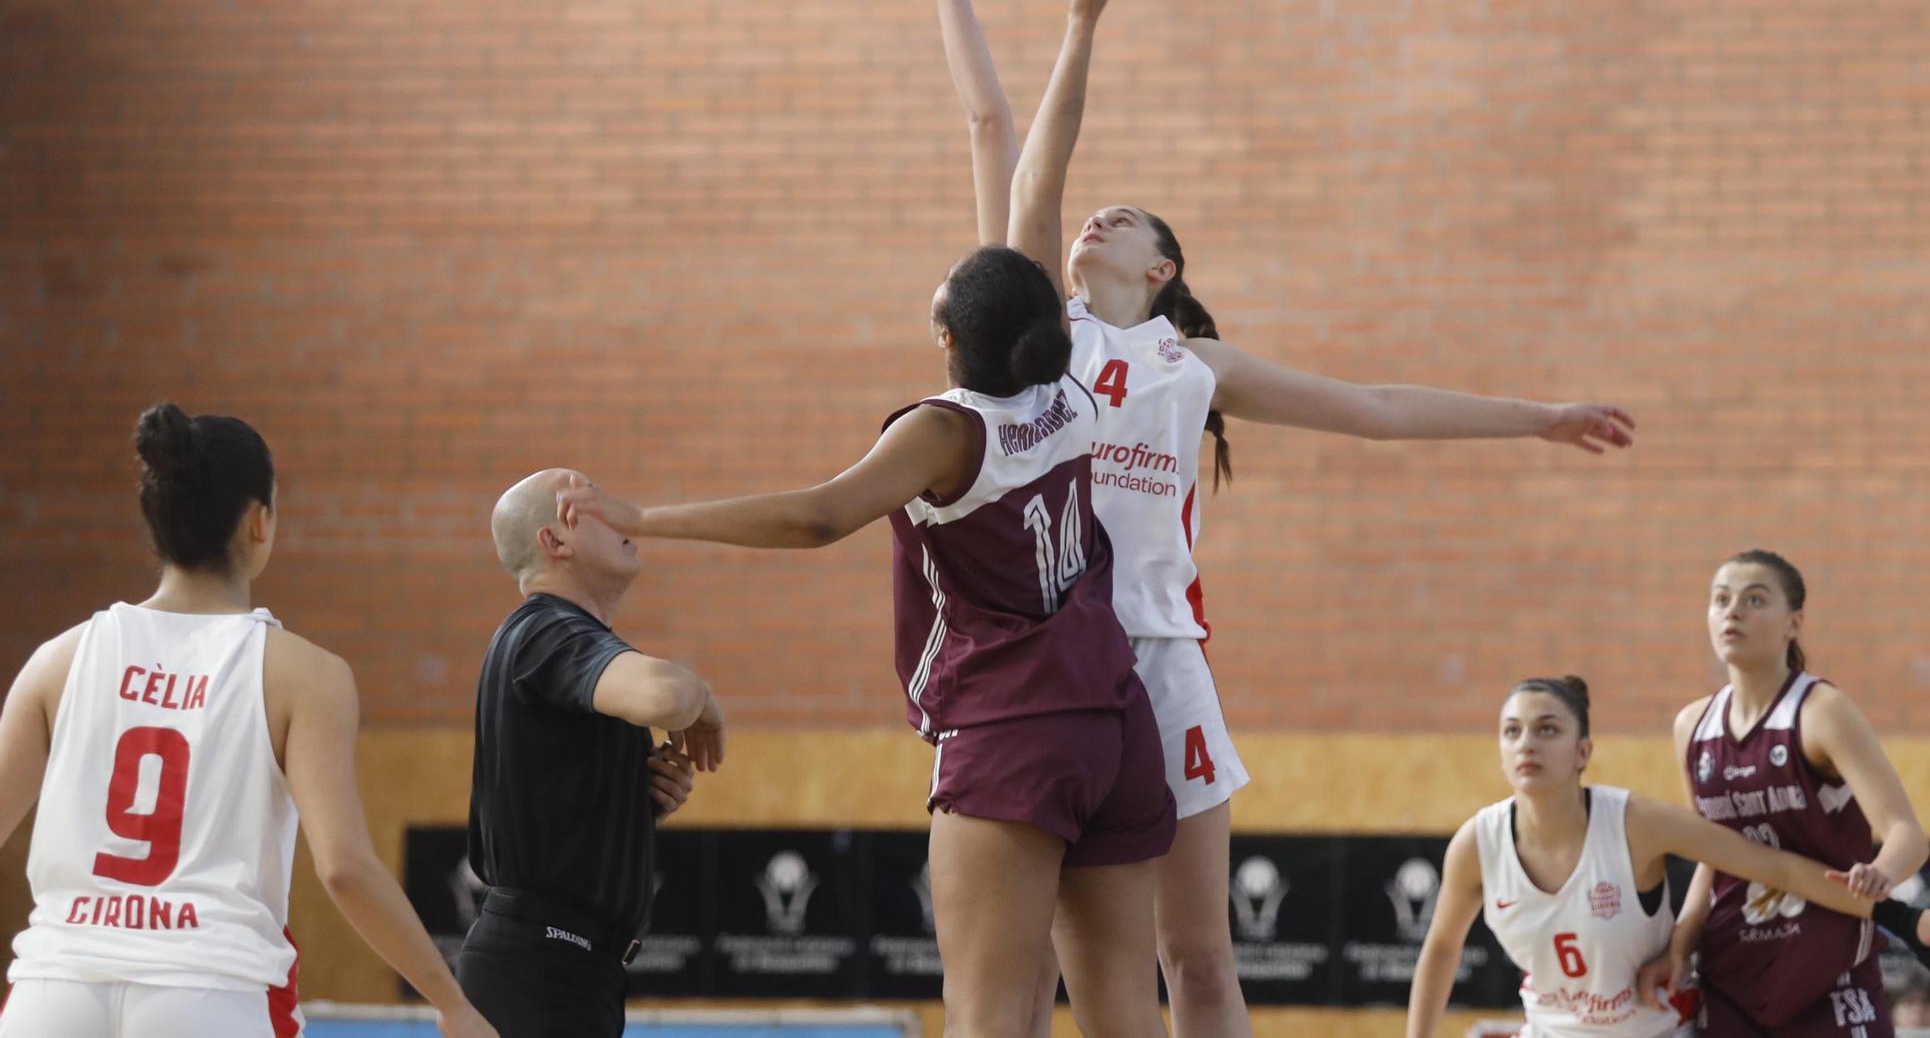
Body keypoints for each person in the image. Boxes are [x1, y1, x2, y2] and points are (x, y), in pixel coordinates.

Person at [888, 0, 1639, 1038]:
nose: (1095, 218)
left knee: (1193, 953)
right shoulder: (1049, 338)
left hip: (1162, 655)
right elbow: (1007, 139)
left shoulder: (1200, 365)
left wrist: (1535, 414)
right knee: (1039, 958)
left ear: (1165, 265)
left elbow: (1377, 405)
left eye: (1125, 217)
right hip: (1052, 664)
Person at [558, 244, 1177, 1038]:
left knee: (985, 1018)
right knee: (1127, 1010)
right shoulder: (1074, 399)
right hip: (1118, 720)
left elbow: (817, 516)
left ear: (946, 335)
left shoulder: (948, 432)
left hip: (1014, 730)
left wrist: (645, 518)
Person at [0, 404, 496, 1038]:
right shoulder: (306, 675)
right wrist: (451, 1002)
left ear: (156, 525)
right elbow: (344, 866)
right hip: (209, 989)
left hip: (54, 991)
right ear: (260, 523)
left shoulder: (59, 660)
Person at [1405, 676, 1930, 1038]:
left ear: (1583, 752)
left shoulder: (1634, 823)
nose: (1526, 743)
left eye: (1546, 729)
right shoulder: (1476, 844)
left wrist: (1902, 917)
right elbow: (1441, 948)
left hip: (1656, 1029)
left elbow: (1773, 866)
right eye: (1512, 732)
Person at [1641, 551, 1930, 1038]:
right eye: (1720, 600)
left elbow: (1907, 834)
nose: (1732, 611)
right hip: (1731, 979)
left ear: (1793, 622)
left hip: (1828, 981)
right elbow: (1709, 858)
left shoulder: (1821, 711)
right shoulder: (1691, 726)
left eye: (1754, 599)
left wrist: (1879, 875)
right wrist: (1678, 948)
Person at [455, 468, 726, 1038]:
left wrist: (633, 807)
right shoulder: (547, 630)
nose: (618, 512)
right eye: (588, 506)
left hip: (570, 969)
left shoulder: (560, 639)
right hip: (539, 969)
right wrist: (703, 699)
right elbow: (663, 694)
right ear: (553, 542)